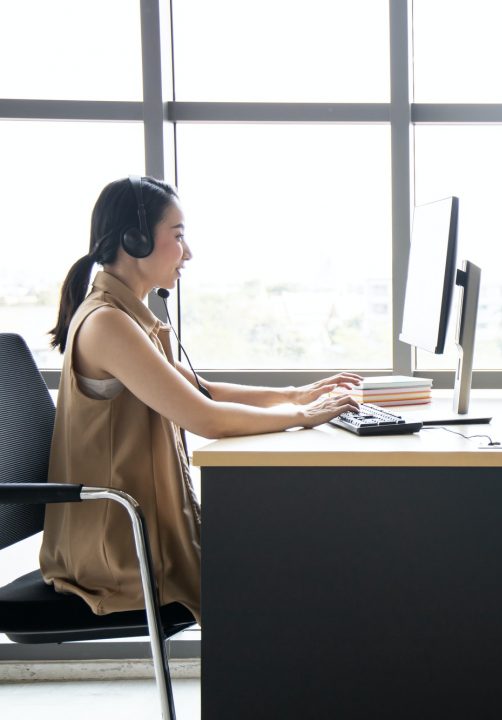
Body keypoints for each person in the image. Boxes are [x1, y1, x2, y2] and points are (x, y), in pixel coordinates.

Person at [41, 176, 360, 624]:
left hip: (134, 531)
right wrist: (302, 415)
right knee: (294, 550)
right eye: (178, 236)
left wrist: (293, 395)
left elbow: (200, 388)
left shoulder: (125, 317)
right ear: (134, 240)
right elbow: (205, 418)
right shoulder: (107, 324)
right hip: (116, 551)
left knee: (290, 537)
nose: (187, 253)